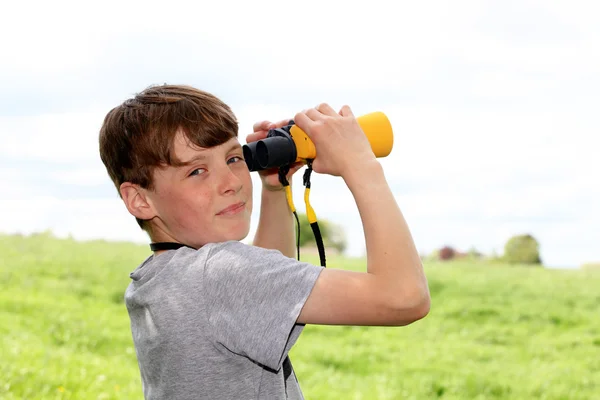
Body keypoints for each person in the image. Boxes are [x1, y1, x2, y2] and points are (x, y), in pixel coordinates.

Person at [98, 84, 430, 400]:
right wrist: (360, 165)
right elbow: (404, 297)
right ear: (140, 199)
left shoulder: (164, 278)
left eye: (233, 159)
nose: (230, 182)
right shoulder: (215, 275)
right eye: (197, 171)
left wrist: (274, 187)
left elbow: (258, 297)